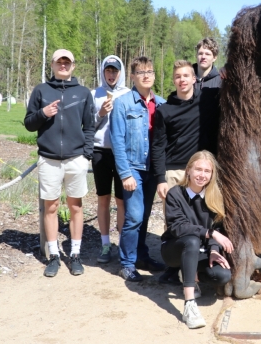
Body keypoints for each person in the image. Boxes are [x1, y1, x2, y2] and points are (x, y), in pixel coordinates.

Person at [24, 48, 95, 277]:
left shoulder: (83, 93)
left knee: (76, 207)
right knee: (51, 207)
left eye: (67, 62)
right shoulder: (41, 91)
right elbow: (28, 124)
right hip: (49, 159)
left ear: (73, 66)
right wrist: (43, 113)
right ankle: (53, 255)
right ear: (52, 65)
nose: (63, 65)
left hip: (76, 159)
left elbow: (90, 126)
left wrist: (86, 155)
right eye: (59, 62)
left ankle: (75, 255)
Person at [152, 59, 220, 284]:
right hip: (174, 171)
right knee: (173, 222)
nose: (182, 80)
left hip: (200, 170)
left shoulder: (206, 102)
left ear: (194, 79)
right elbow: (158, 146)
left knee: (204, 214)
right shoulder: (165, 111)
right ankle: (173, 266)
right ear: (174, 81)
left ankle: (199, 259)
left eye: (186, 76)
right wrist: (161, 178)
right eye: (177, 77)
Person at [160, 150, 233, 329]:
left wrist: (214, 250)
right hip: (173, 249)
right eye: (198, 169)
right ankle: (189, 304)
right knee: (191, 240)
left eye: (207, 171)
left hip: (199, 251)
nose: (202, 175)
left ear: (212, 175)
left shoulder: (214, 196)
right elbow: (178, 228)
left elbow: (217, 228)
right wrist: (211, 234)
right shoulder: (175, 194)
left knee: (223, 275)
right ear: (188, 171)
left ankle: (188, 274)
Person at [110, 56, 167, 282]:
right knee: (133, 217)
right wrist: (125, 174)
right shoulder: (123, 103)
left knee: (143, 216)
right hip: (133, 168)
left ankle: (142, 256)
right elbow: (117, 140)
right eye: (141, 72)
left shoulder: (161, 104)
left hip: (153, 170)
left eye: (150, 71)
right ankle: (127, 263)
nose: (146, 76)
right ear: (132, 76)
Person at [91, 55, 130, 263]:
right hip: (100, 152)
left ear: (120, 72)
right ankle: (105, 244)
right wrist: (100, 114)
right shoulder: (94, 94)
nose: (111, 74)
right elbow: (88, 126)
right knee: (103, 198)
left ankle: (123, 243)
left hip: (121, 153)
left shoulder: (128, 94)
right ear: (103, 72)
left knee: (122, 200)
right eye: (108, 71)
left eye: (115, 71)